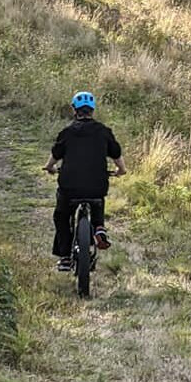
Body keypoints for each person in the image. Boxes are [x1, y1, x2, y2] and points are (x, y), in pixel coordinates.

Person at [43, 91, 126, 271]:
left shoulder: (66, 133)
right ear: (93, 110)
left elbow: (55, 155)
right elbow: (116, 154)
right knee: (97, 199)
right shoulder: (104, 131)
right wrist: (121, 170)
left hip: (69, 185)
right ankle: (99, 228)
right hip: (97, 185)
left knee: (62, 216)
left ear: (75, 110)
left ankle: (65, 257)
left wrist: (50, 167)